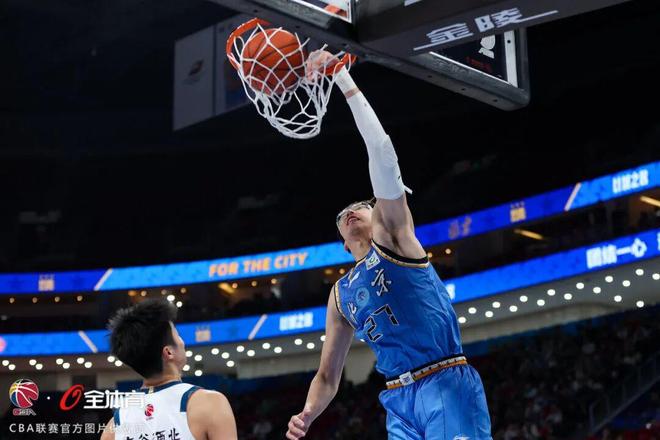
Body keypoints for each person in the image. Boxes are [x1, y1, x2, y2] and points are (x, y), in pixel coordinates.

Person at [286, 52, 492, 440]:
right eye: (343, 215)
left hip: (445, 379)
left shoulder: (394, 237)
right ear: (343, 245)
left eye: (361, 207)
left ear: (378, 215)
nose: (351, 212)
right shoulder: (340, 295)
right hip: (397, 399)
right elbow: (328, 376)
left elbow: (381, 150)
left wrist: (341, 78)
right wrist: (308, 413)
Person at [101, 298, 237, 440]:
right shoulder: (209, 403)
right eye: (177, 335)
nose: (182, 341)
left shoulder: (113, 428)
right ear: (168, 352)